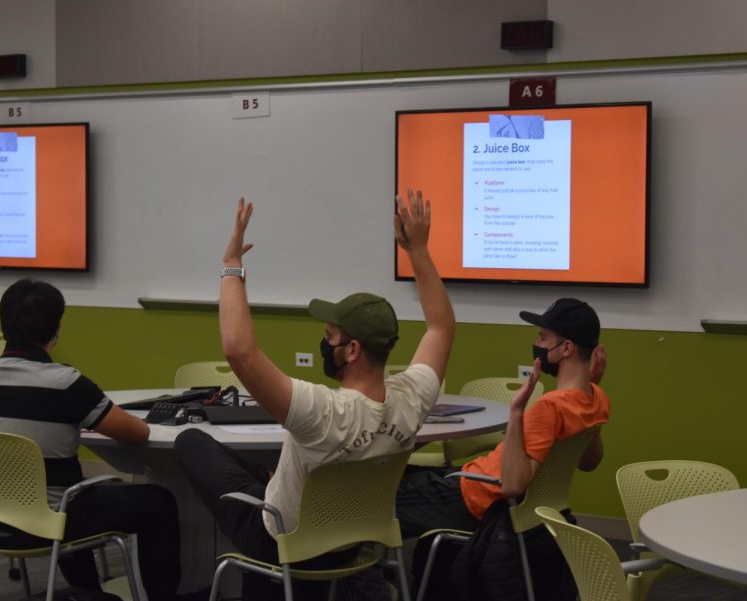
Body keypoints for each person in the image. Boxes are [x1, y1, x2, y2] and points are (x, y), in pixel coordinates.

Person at [173, 189, 455, 600]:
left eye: (329, 337)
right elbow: (441, 328)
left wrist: (231, 266)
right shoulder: (412, 400)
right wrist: (419, 251)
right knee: (262, 471)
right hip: (354, 543)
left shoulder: (322, 412)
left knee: (192, 441)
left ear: (352, 350)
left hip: (284, 545)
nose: (324, 343)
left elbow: (239, 349)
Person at [0, 278, 204, 601]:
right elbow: (137, 432)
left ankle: (87, 594)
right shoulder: (65, 384)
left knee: (68, 497)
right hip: (46, 521)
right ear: (56, 328)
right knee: (157, 503)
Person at [395, 298, 609, 596]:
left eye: (543, 337)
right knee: (410, 476)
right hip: (498, 494)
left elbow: (512, 484)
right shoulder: (595, 398)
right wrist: (593, 386)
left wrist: (518, 410)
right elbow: (590, 461)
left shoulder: (548, 407)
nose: (537, 343)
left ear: (568, 348)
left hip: (476, 497)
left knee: (373, 499)